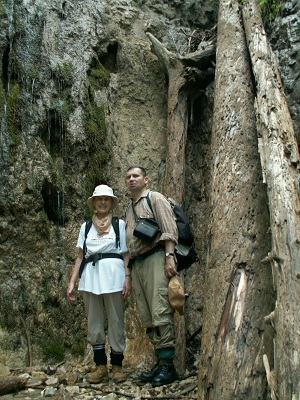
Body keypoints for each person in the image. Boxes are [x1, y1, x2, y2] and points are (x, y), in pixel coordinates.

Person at [67, 184, 131, 384]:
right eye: (99, 199)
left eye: (106, 199)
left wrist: (127, 277)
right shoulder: (85, 227)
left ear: (111, 202)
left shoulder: (119, 224)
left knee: (116, 320)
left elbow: (125, 253)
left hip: (114, 275)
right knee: (94, 322)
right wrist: (72, 282)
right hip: (91, 276)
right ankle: (100, 366)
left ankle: (118, 366)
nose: (103, 202)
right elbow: (79, 257)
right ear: (94, 203)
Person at [124, 166, 179, 387]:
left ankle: (168, 366)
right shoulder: (128, 209)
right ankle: (160, 360)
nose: (131, 179)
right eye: (128, 177)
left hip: (156, 257)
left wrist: (169, 256)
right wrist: (128, 272)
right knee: (147, 315)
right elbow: (128, 244)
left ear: (145, 179)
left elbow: (169, 227)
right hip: (137, 263)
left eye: (135, 176)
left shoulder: (154, 198)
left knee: (160, 309)